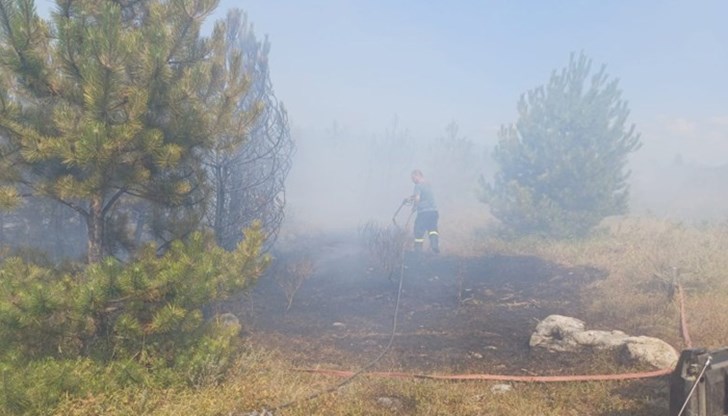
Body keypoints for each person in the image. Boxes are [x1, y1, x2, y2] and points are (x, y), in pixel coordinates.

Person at [404, 169, 440, 253]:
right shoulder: (428, 184)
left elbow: (417, 198)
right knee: (433, 229)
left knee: (418, 230)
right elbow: (424, 196)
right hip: (434, 212)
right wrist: (410, 198)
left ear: (418, 176)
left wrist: (414, 207)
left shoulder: (418, 186)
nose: (413, 181)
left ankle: (418, 250)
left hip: (424, 212)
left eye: (413, 178)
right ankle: (435, 246)